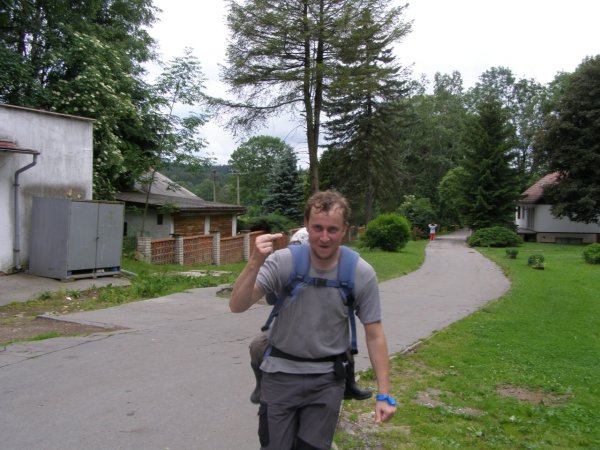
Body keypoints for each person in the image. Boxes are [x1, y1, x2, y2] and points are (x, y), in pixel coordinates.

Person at [230, 190, 396, 450]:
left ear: (345, 230)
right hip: (280, 375)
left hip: (326, 381)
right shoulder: (283, 262)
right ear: (306, 224)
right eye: (318, 228)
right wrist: (254, 263)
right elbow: (237, 305)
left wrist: (384, 394)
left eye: (332, 229)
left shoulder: (360, 273)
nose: (324, 237)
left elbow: (375, 334)